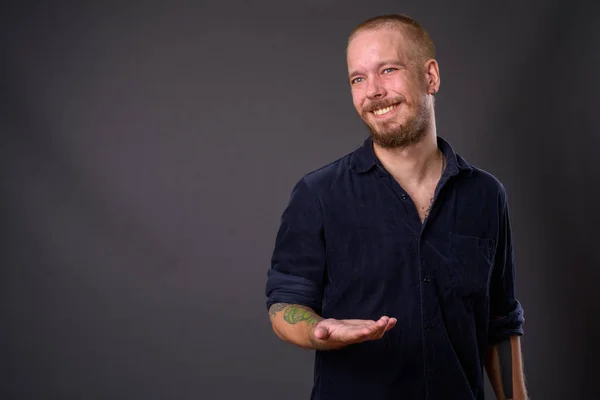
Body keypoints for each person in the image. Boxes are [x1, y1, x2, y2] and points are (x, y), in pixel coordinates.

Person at [265, 13, 528, 400]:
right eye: (358, 78)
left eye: (387, 70)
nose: (372, 91)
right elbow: (284, 304)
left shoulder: (486, 195)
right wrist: (318, 331)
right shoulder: (318, 194)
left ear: (431, 77)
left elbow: (501, 321)